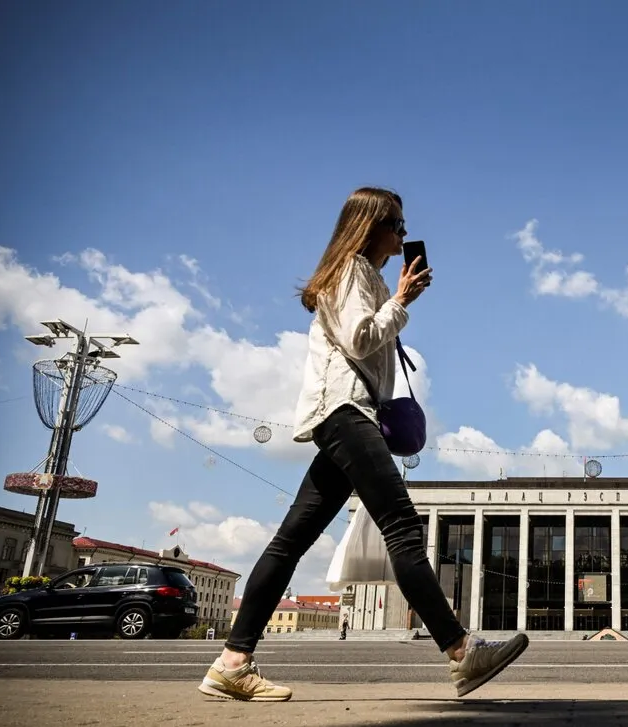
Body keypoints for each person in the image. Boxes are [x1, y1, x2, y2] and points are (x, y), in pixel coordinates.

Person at [198, 187, 529, 702]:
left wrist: (394, 298)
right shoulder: (352, 268)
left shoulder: (361, 275)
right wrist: (400, 301)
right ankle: (463, 652)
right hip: (345, 411)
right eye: (396, 224)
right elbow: (359, 339)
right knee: (400, 524)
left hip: (343, 412)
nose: (403, 234)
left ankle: (232, 663)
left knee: (290, 542)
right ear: (370, 225)